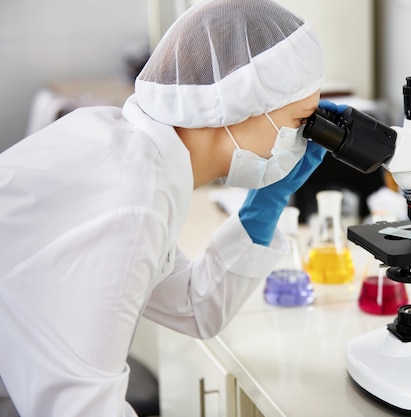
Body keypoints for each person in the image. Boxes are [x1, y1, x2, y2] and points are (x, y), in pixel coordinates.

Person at [0, 0, 326, 415]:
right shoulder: (132, 202)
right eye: (301, 122)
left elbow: (194, 307)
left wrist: (265, 207)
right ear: (241, 103)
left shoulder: (133, 155)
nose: (301, 141)